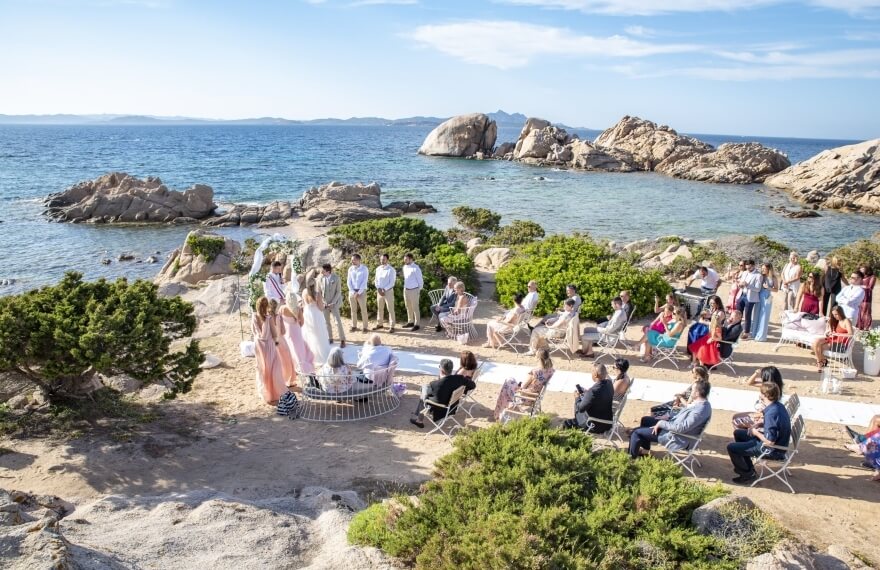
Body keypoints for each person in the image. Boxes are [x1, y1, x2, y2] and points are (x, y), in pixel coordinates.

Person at [628, 378, 711, 459]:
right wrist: (668, 416)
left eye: (692, 390)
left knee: (636, 433)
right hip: (673, 427)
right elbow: (683, 417)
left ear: (697, 393)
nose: (690, 392)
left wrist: (661, 423)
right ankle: (645, 451)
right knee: (645, 420)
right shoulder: (704, 404)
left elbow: (681, 428)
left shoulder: (699, 411)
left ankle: (630, 459)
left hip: (675, 437)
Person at [726, 382, 791, 484]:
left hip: (772, 450)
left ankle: (747, 475)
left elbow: (770, 441)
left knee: (731, 448)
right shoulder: (778, 406)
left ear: (765, 395)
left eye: (761, 393)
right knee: (738, 433)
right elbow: (774, 425)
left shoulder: (771, 414)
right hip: (779, 444)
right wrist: (758, 425)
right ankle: (748, 468)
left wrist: (755, 432)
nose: (759, 395)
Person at [410, 358, 475, 428]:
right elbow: (472, 385)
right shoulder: (459, 378)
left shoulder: (436, 385)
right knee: (425, 389)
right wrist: (462, 390)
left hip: (442, 411)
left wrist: (425, 391)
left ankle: (419, 420)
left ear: (441, 370)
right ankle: (418, 415)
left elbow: (428, 397)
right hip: (453, 407)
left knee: (423, 394)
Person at [493, 349, 554, 421]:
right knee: (509, 383)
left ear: (538, 358)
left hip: (524, 397)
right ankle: (502, 410)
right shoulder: (550, 370)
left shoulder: (535, 371)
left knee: (508, 382)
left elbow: (523, 386)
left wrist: (520, 386)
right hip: (535, 397)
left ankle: (499, 413)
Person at [253, 297, 287, 404]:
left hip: (258, 346)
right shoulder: (268, 319)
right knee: (274, 369)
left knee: (262, 369)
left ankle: (265, 393)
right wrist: (276, 341)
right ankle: (275, 392)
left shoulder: (253, 317)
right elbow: (275, 334)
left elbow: (254, 331)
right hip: (269, 346)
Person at [562, 363, 614, 433]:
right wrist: (587, 394)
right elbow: (597, 397)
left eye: (592, 371)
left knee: (566, 423)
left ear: (595, 375)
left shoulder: (592, 392)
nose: (591, 373)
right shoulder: (609, 383)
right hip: (607, 423)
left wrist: (577, 397)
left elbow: (580, 409)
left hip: (594, 425)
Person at [281, 290, 315, 376]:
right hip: (296, 331)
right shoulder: (298, 309)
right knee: (299, 349)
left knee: (290, 349)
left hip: (287, 332)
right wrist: (297, 325)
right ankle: (301, 366)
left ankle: (294, 367)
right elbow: (302, 322)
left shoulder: (282, 308)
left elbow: (278, 320)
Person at [812, 305, 853, 372]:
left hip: (840, 344)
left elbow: (851, 334)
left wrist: (837, 334)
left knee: (816, 346)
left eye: (836, 314)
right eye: (833, 314)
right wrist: (830, 333)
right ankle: (822, 361)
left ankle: (820, 363)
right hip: (833, 340)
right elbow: (831, 331)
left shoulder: (846, 321)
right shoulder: (837, 321)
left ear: (841, 313)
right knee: (816, 342)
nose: (835, 316)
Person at [301, 280, 332, 366]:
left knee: (309, 333)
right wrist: (326, 306)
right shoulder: (317, 294)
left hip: (307, 313)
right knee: (319, 334)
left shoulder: (304, 292)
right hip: (316, 314)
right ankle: (319, 355)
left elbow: (303, 305)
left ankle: (309, 353)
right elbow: (321, 307)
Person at [689, 296, 726, 367]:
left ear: (717, 303)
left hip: (714, 336)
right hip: (710, 334)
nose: (711, 305)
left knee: (700, 348)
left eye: (713, 303)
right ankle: (694, 363)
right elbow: (712, 322)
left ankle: (700, 366)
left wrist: (711, 338)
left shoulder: (720, 313)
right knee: (695, 345)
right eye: (710, 303)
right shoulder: (715, 310)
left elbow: (716, 324)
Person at [317, 263, 346, 347]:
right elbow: (319, 292)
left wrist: (333, 302)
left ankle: (342, 339)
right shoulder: (321, 279)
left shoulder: (336, 278)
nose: (321, 272)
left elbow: (338, 292)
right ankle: (330, 338)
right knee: (326, 322)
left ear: (328, 271)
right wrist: (323, 302)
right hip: (325, 304)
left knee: (337, 322)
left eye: (323, 270)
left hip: (334, 304)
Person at [752, 263, 778, 342]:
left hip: (767, 297)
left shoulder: (773, 278)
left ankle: (761, 336)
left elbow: (776, 290)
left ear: (768, 269)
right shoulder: (760, 276)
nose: (762, 270)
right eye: (762, 268)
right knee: (756, 314)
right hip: (758, 296)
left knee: (764, 316)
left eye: (764, 268)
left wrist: (768, 288)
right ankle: (754, 333)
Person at [737, 260, 763, 340]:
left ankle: (746, 333)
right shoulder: (745, 273)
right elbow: (740, 282)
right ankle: (737, 330)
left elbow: (758, 289)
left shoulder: (758, 275)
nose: (748, 269)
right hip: (741, 294)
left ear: (753, 266)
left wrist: (748, 285)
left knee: (747, 315)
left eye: (749, 268)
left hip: (750, 298)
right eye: (747, 268)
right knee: (738, 313)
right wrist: (740, 284)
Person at [373, 253, 397, 333]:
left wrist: (384, 289)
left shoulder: (391, 270)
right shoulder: (378, 269)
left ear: (387, 260)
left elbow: (392, 282)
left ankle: (392, 326)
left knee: (390, 309)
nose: (382, 261)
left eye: (383, 259)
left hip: (388, 291)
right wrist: (379, 288)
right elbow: (376, 280)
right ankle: (380, 324)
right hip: (379, 291)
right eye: (381, 259)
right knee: (380, 308)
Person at [347, 254, 369, 333]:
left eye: (354, 260)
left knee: (363, 310)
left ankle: (365, 327)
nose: (352, 261)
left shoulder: (364, 269)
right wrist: (353, 292)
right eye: (352, 260)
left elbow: (364, 281)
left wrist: (358, 292)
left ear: (359, 260)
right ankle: (354, 326)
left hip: (361, 292)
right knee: (353, 310)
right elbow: (349, 281)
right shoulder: (350, 269)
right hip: (352, 292)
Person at [402, 252, 424, 331]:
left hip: (414, 290)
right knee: (408, 306)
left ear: (411, 259)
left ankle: (417, 324)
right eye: (404, 259)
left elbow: (420, 280)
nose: (405, 261)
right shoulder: (404, 267)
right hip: (406, 290)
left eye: (406, 259)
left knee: (415, 307)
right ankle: (410, 321)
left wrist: (418, 290)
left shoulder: (416, 268)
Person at [857, 265, 875, 330]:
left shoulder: (872, 277)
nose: (861, 270)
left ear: (867, 269)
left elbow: (870, 287)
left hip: (867, 297)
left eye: (863, 269)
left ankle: (867, 326)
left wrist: (861, 286)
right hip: (858, 296)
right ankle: (859, 326)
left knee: (866, 312)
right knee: (859, 311)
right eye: (860, 269)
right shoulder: (860, 277)